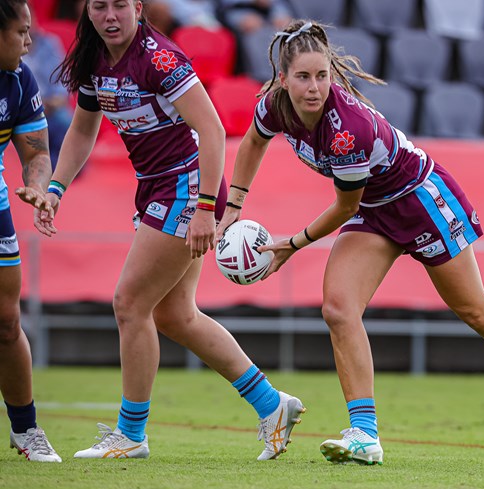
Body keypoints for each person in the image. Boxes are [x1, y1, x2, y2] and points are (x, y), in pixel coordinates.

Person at [219, 20, 484, 465]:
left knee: (475, 311)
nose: (314, 88)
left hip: (421, 201)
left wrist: (292, 244)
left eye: (322, 76)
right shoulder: (275, 106)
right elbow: (254, 141)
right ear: (283, 79)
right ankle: (364, 435)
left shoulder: (347, 129)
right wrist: (234, 207)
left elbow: (344, 207)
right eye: (303, 77)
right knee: (338, 309)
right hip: (374, 208)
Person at [47, 0, 305, 460]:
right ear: (87, 11)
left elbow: (212, 129)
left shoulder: (160, 58)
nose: (110, 16)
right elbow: (83, 131)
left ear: (138, 7)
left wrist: (206, 209)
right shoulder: (92, 58)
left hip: (186, 186)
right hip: (155, 186)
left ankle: (131, 434)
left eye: (120, 5)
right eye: (100, 6)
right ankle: (272, 404)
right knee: (174, 315)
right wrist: (55, 188)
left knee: (129, 304)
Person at [0, 0, 61, 462]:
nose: (29, 40)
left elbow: (37, 153)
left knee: (6, 321)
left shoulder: (20, 79)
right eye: (21, 31)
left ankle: (26, 429)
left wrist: (37, 187)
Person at [25, 11, 73, 171]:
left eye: (31, 18)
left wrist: (57, 99)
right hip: (26, 110)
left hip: (51, 104)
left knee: (65, 121)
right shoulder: (10, 48)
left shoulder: (49, 43)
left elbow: (62, 77)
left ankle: (63, 166)